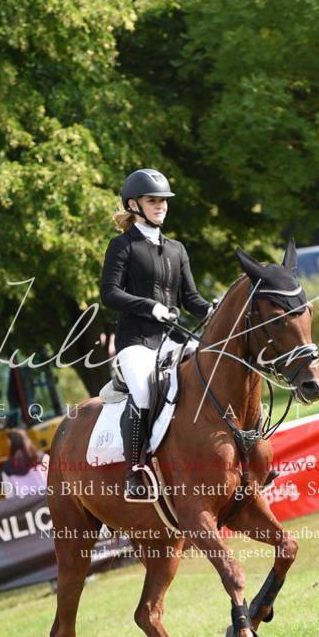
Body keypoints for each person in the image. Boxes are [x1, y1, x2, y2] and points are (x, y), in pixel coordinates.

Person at [100, 169, 212, 501]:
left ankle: (245, 449)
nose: (161, 206)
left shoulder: (176, 249)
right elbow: (109, 293)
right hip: (137, 341)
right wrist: (149, 307)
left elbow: (191, 299)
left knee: (217, 371)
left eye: (163, 200)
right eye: (154, 201)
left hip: (174, 339)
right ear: (134, 204)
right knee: (147, 391)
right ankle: (134, 471)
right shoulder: (122, 246)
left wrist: (214, 312)